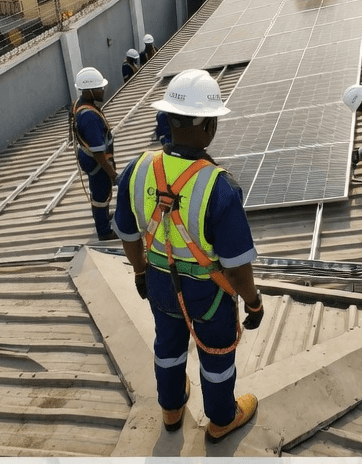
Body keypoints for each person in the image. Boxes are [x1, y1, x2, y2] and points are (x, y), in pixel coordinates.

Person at [113, 68, 263, 443]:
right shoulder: (219, 186)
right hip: (208, 297)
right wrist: (252, 301)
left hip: (161, 286)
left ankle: (172, 407)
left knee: (168, 345)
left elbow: (129, 235)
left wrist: (139, 272)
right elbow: (236, 265)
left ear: (168, 118)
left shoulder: (137, 169)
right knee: (215, 356)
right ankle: (221, 419)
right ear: (209, 126)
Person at [72, 67, 118, 240]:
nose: (102, 90)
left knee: (98, 192)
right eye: (99, 88)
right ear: (89, 91)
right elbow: (98, 152)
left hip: (91, 160)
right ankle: (104, 231)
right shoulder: (90, 117)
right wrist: (112, 173)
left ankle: (102, 216)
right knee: (101, 194)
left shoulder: (80, 103)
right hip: (97, 163)